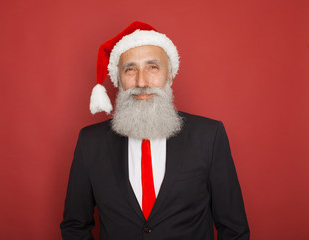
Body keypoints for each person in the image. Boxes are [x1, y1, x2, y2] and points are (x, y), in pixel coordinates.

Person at [60, 21, 250, 240]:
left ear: (169, 76)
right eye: (130, 69)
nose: (141, 81)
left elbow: (234, 230)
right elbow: (74, 226)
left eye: (152, 67)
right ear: (118, 80)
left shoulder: (209, 136)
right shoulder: (90, 142)